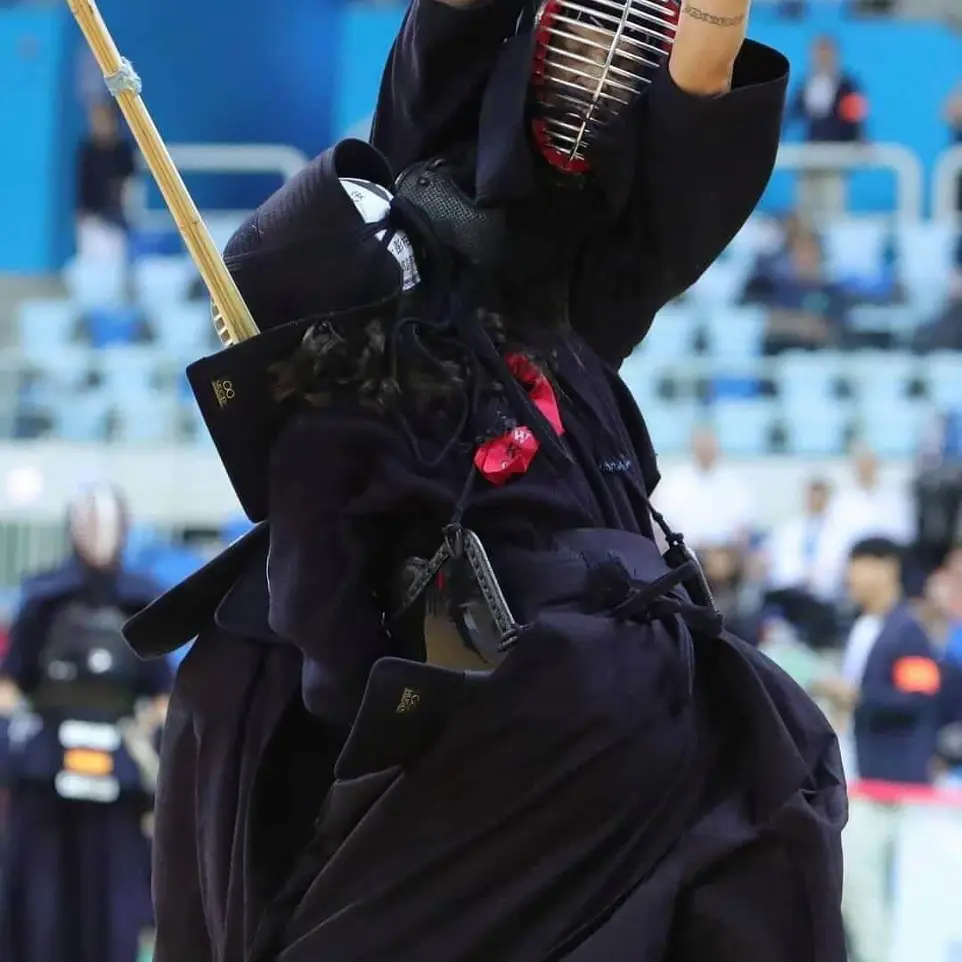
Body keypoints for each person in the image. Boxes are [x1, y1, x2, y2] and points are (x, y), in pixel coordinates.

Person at [128, 0, 847, 959]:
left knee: (776, 775)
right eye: (587, 40)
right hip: (519, 702)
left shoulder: (584, 294)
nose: (602, 78)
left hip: (632, 682)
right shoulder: (379, 325)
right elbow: (328, 623)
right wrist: (384, 736)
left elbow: (696, 104)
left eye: (620, 47)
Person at [0, 484, 170, 962]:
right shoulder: (43, 598)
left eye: (108, 524)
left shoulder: (144, 601)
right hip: (48, 769)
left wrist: (148, 749)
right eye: (89, 523)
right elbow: (11, 685)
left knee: (114, 900)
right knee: (41, 897)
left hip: (118, 770)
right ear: (73, 528)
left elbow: (163, 694)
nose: (98, 534)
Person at [810, 537, 940, 962]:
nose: (852, 576)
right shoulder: (861, 628)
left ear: (888, 569)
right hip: (859, 777)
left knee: (864, 887)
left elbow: (920, 695)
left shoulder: (908, 630)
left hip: (891, 786)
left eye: (861, 564)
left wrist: (858, 695)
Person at [788, 35, 867, 219]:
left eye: (826, 53)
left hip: (835, 152)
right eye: (818, 53)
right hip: (810, 151)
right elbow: (792, 115)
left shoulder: (848, 85)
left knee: (833, 205)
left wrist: (858, 137)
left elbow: (854, 113)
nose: (822, 58)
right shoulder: (805, 84)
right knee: (804, 207)